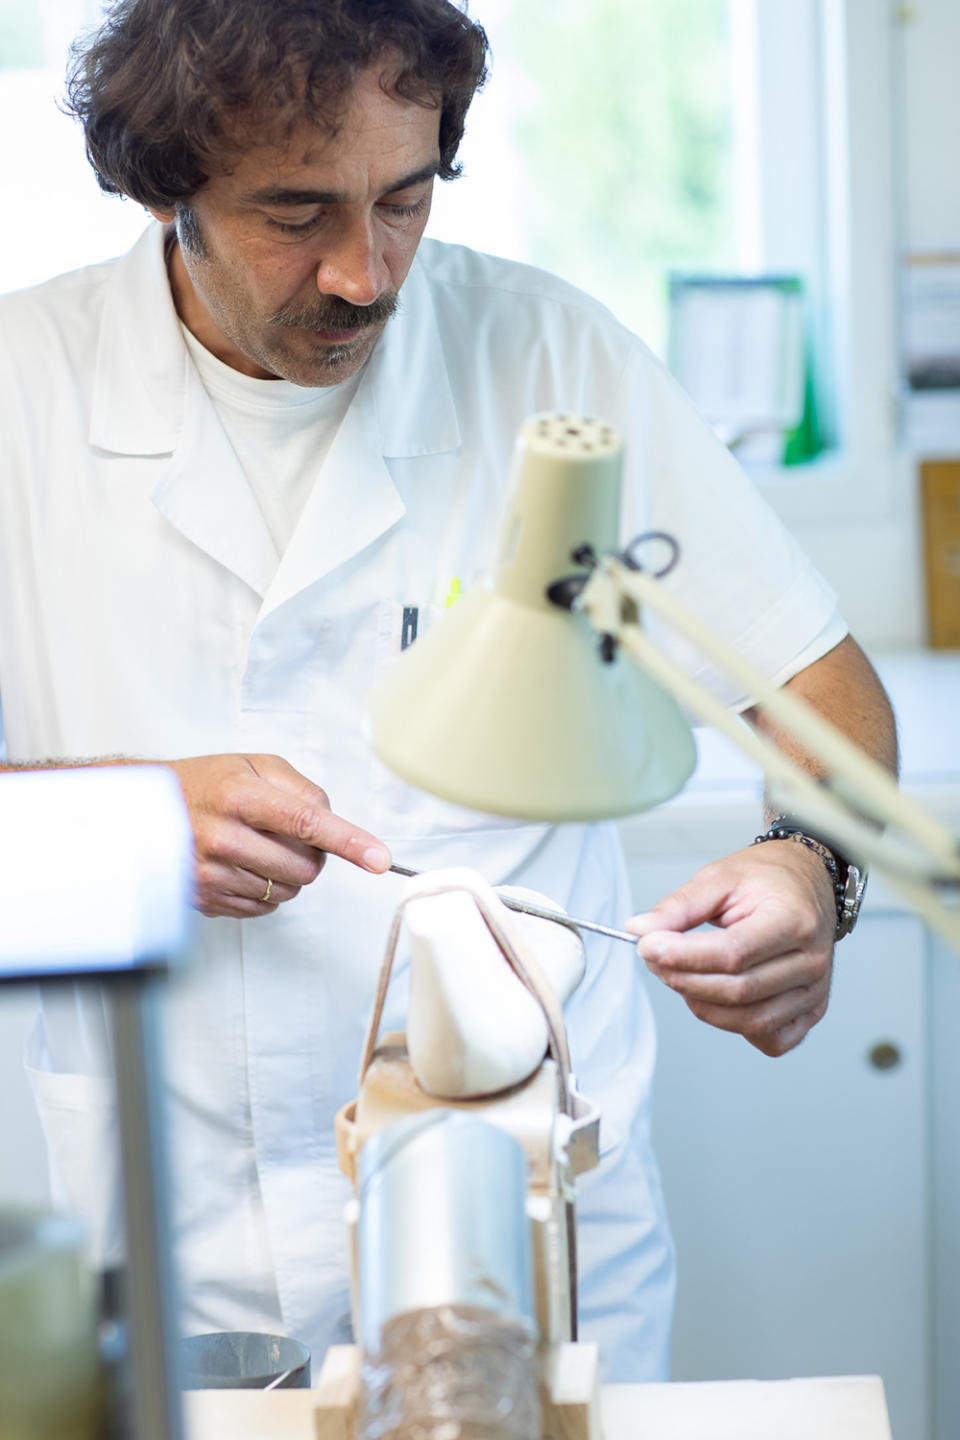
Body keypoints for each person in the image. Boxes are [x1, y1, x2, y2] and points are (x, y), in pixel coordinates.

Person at [0, 0, 896, 1382]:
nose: (366, 274)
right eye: (295, 214)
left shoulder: (549, 358)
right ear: (166, 186)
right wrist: (109, 829)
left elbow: (817, 681)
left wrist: (810, 867)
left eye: (404, 200)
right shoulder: (24, 392)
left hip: (532, 1232)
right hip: (171, 1247)